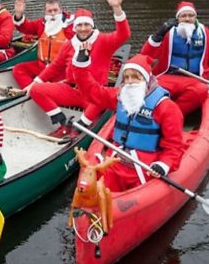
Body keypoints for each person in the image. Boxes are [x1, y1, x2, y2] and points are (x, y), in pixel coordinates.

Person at [73, 49, 184, 192]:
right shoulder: (120, 96)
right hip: (116, 159)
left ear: (146, 79)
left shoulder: (166, 107)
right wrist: (81, 67)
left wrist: (164, 164)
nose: (130, 82)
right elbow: (92, 92)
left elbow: (174, 145)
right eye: (126, 77)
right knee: (97, 190)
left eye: (136, 77)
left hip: (144, 165)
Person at [28, 0, 131, 138]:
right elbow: (55, 67)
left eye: (86, 25)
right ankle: (63, 122)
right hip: (72, 90)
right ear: (75, 27)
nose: (83, 29)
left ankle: (77, 130)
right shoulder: (69, 44)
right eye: (80, 25)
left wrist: (117, 9)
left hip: (95, 94)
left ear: (92, 25)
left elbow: (124, 34)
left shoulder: (103, 40)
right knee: (36, 90)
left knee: (97, 105)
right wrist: (35, 81)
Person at [141, 1, 209, 115]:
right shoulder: (169, 33)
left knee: (201, 90)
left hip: (196, 79)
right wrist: (157, 36)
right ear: (178, 18)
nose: (187, 19)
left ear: (195, 17)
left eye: (191, 16)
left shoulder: (205, 33)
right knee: (151, 90)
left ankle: (171, 114)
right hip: (168, 77)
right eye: (183, 16)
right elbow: (146, 54)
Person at [12, 0, 75, 89]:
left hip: (60, 69)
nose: (53, 13)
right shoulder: (41, 24)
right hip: (41, 65)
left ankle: (37, 91)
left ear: (60, 10)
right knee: (18, 69)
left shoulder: (71, 26)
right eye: (50, 11)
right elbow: (26, 27)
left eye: (55, 10)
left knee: (60, 83)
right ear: (45, 12)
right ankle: (31, 92)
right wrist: (19, 15)